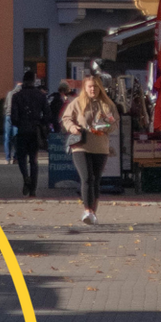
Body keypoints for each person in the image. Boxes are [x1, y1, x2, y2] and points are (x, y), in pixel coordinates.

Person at [60, 75, 117, 225]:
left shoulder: (107, 104)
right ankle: (87, 211)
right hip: (81, 145)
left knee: (96, 179)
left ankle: (93, 211)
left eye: (96, 86)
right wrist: (72, 127)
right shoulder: (77, 103)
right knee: (86, 177)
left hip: (100, 146)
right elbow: (66, 118)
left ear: (100, 88)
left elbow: (114, 123)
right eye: (90, 87)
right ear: (85, 88)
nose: (93, 89)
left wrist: (106, 127)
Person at [10, 72, 50, 197]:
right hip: (35, 131)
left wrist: (20, 124)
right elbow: (48, 115)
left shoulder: (16, 96)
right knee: (34, 159)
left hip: (22, 130)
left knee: (21, 157)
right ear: (34, 81)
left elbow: (13, 117)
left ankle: (26, 177)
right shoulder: (41, 96)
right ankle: (33, 189)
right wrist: (41, 123)